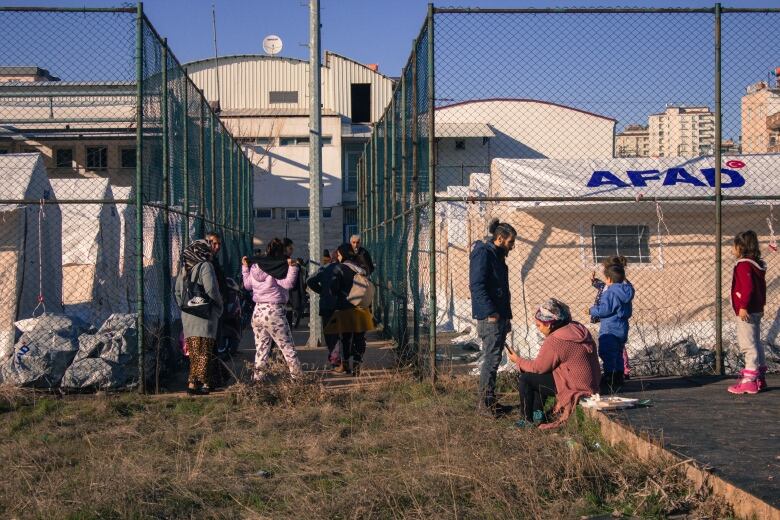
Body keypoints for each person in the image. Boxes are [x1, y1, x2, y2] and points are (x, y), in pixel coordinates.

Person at [508, 299, 601, 430]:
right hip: (592, 383)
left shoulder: (555, 340)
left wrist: (517, 360)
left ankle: (526, 420)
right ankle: (537, 415)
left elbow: (538, 367)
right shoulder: (578, 328)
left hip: (574, 386)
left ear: (550, 325)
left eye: (539, 325)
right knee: (541, 377)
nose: (538, 328)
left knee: (526, 378)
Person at [469, 218, 516, 415]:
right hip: (491, 318)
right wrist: (492, 312)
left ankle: (490, 401)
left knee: (494, 359)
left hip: (499, 315)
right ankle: (484, 404)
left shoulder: (496, 255)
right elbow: (477, 285)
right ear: (499, 238)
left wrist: (506, 316)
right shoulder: (484, 253)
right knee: (491, 358)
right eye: (510, 242)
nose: (512, 246)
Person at [307, 243, 375, 376]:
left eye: (338, 254)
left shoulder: (334, 268)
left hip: (339, 306)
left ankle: (341, 363)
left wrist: (323, 291)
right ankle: (357, 362)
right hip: (360, 305)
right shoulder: (360, 269)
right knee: (358, 336)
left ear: (341, 254)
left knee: (342, 337)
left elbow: (319, 283)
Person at [242, 238, 303, 381]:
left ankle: (258, 380)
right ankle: (299, 380)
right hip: (274, 311)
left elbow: (247, 286)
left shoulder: (256, 266)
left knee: (261, 349)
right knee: (287, 348)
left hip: (257, 311)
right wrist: (293, 268)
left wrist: (245, 268)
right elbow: (288, 284)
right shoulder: (277, 268)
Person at [175, 239, 223, 395]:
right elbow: (212, 290)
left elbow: (177, 292)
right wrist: (218, 307)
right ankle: (205, 384)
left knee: (195, 352)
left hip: (188, 316)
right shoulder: (206, 266)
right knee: (205, 350)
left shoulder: (185, 268)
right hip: (205, 314)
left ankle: (192, 384)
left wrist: (186, 308)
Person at [728, 230, 768, 394]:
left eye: (734, 246)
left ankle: (749, 380)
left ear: (740, 247)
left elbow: (748, 288)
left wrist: (743, 306)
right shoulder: (756, 265)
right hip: (756, 309)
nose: (732, 249)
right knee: (756, 343)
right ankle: (759, 378)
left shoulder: (743, 265)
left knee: (747, 344)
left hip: (747, 311)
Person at [588, 260, 635, 393]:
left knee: (607, 351)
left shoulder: (610, 293)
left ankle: (609, 376)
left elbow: (605, 309)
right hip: (622, 326)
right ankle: (619, 375)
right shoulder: (627, 290)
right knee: (619, 352)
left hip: (610, 326)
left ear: (608, 279)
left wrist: (592, 310)